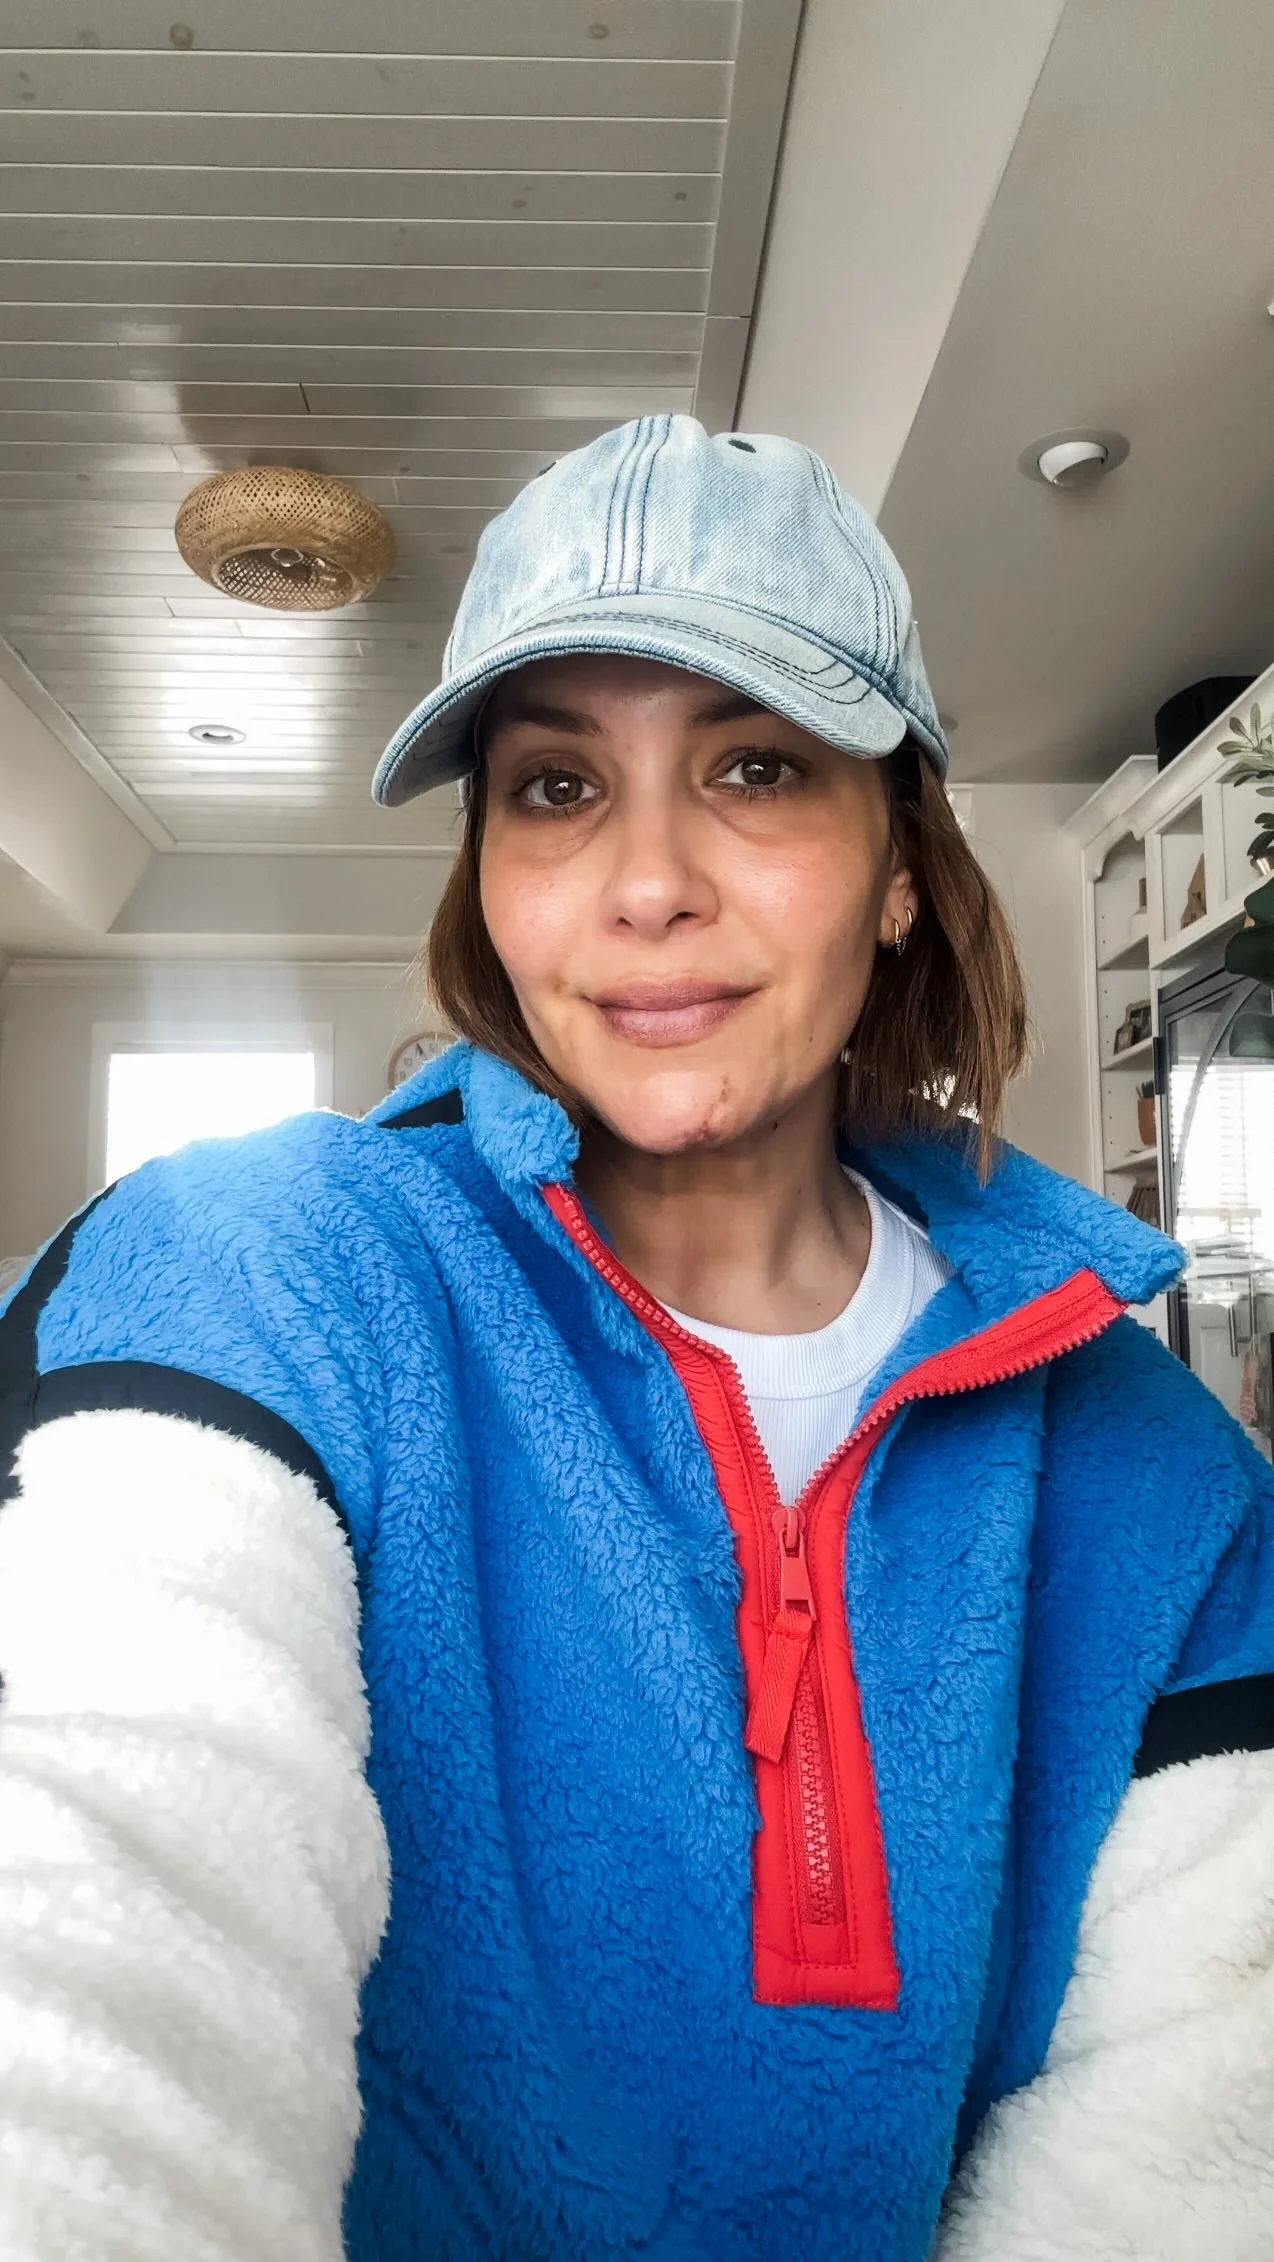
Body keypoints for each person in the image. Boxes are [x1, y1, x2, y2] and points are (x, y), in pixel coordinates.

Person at [0, 416, 1271, 2262]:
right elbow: (100, 1907)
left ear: (898, 864)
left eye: (754, 766)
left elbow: (1195, 2142)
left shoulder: (1162, 1479)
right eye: (555, 785)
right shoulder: (258, 1272)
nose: (646, 879)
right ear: (488, 877)